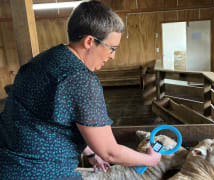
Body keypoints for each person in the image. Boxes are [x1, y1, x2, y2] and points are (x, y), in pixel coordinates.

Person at [0, 1, 161, 180]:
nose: (113, 56)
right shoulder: (81, 79)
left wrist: (90, 153)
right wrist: (150, 160)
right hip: (43, 172)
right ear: (89, 41)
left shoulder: (41, 61)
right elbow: (110, 152)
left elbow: (52, 119)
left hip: (8, 166)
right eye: (112, 48)